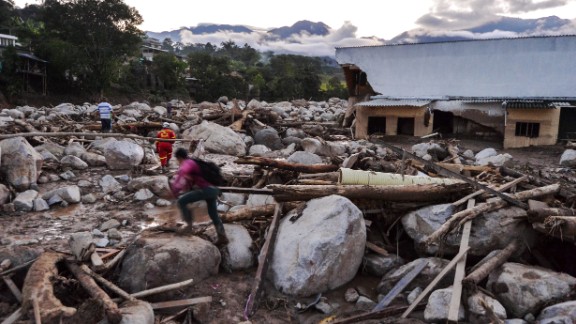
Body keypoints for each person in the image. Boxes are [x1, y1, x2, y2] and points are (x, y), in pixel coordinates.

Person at [170, 148, 229, 246]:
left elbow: (182, 172)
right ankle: (222, 237)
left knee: (181, 201)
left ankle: (188, 227)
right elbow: (189, 181)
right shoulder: (195, 162)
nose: (178, 162)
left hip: (206, 190)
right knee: (213, 214)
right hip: (214, 190)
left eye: (177, 159)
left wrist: (175, 190)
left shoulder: (188, 163)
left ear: (179, 158)